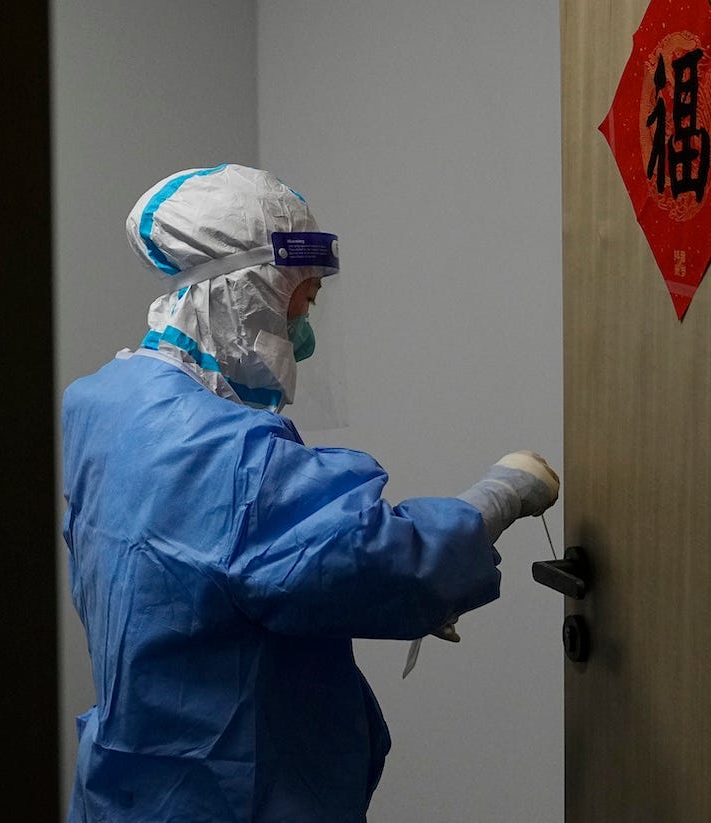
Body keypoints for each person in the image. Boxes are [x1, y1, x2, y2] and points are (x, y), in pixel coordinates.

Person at [62, 163, 559, 821]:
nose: (305, 328)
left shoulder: (102, 404)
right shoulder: (231, 454)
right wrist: (505, 491)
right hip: (227, 795)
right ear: (245, 294)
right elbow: (394, 559)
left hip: (126, 786)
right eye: (301, 298)